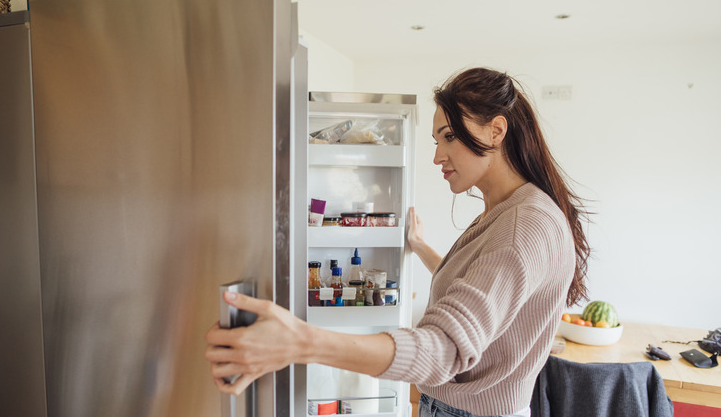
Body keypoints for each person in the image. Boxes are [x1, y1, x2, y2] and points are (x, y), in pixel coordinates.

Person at [205, 67, 590, 417]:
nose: (439, 156)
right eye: (437, 140)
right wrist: (418, 245)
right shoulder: (511, 210)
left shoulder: (523, 224)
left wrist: (300, 343)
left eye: (450, 137)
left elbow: (444, 349)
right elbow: (480, 288)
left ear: (496, 130)